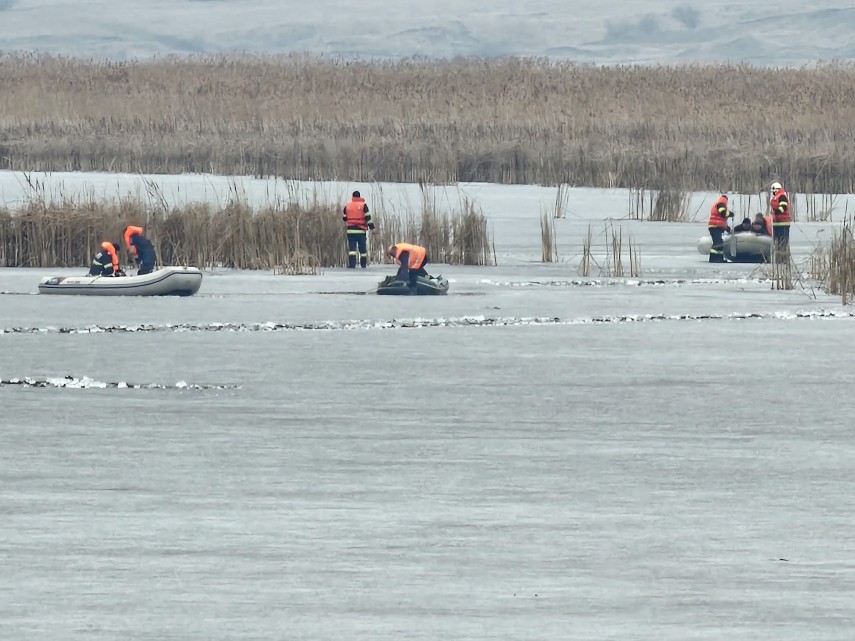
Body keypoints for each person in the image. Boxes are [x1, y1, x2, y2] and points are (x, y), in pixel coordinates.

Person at [342, 190, 375, 268]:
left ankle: (352, 265)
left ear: (353, 197)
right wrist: (372, 228)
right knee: (362, 250)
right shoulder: (363, 205)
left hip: (350, 231)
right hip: (361, 230)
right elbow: (368, 218)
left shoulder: (347, 205)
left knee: (352, 250)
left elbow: (344, 218)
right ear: (359, 197)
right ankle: (363, 265)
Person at [707, 194, 734, 263]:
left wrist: (727, 228)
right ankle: (714, 259)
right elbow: (723, 212)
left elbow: (721, 221)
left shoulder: (718, 205)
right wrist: (730, 214)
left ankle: (719, 258)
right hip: (715, 227)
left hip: (716, 226)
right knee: (717, 243)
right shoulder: (720, 204)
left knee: (720, 243)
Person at [769, 181, 790, 260]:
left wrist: (778, 211)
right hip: (776, 223)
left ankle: (783, 259)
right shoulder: (776, 197)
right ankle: (778, 259)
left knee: (783, 243)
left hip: (783, 224)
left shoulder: (782, 196)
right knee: (777, 243)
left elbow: (783, 206)